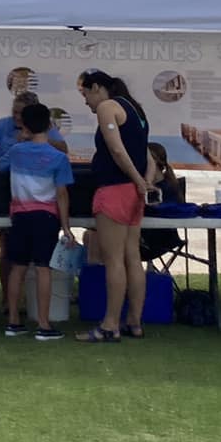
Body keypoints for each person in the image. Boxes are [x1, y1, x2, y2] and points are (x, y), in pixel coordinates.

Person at [0, 90, 67, 318]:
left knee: (34, 263)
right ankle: (12, 305)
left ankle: (24, 315)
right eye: (14, 112)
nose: (16, 117)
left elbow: (63, 149)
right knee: (12, 253)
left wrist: (35, 139)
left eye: (20, 114)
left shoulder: (37, 134)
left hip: (31, 204)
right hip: (11, 194)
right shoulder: (2, 128)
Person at [76, 68, 153, 342]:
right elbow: (149, 156)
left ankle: (110, 325)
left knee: (113, 261)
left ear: (97, 87)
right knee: (133, 257)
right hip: (133, 193)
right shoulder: (135, 109)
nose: (86, 101)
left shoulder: (107, 107)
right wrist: (143, 184)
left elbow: (117, 150)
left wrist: (138, 182)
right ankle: (134, 322)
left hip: (116, 190)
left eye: (85, 93)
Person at [0, 101, 74, 339]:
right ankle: (43, 324)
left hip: (19, 216)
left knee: (17, 267)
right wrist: (67, 227)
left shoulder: (17, 151)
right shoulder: (58, 158)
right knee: (43, 269)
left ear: (24, 126)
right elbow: (62, 194)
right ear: (50, 125)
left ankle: (13, 321)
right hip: (46, 218)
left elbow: (0, 165)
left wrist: (19, 141)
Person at [139, 141, 187, 263]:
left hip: (156, 239)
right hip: (151, 236)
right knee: (92, 236)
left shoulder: (165, 188)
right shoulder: (168, 183)